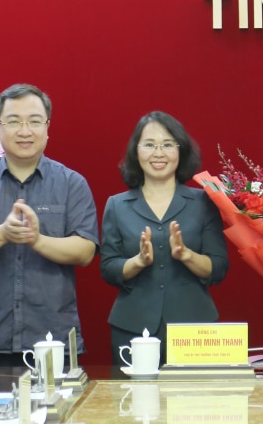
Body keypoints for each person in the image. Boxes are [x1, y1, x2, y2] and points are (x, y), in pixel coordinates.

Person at [0, 84, 98, 367]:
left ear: (47, 128)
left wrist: (37, 239)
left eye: (34, 121)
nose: (24, 131)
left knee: (54, 413)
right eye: (13, 121)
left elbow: (85, 251)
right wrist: (3, 233)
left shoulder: (71, 184)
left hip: (53, 341)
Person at [99, 111, 229, 365]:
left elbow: (219, 267)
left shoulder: (204, 201)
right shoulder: (117, 205)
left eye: (168, 145)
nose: (158, 153)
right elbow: (108, 268)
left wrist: (186, 255)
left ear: (181, 152)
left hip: (194, 329)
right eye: (149, 145)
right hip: (132, 328)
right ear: (136, 152)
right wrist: (138, 261)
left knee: (194, 404)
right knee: (134, 402)